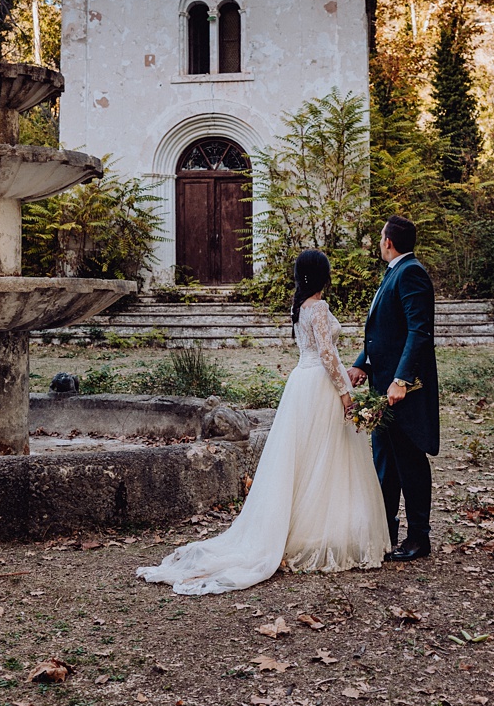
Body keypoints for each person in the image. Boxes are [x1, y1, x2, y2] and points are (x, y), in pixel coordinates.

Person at [140, 245, 390, 597]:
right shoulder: (318, 308)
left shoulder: (301, 307)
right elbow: (328, 355)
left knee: (305, 459)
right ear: (323, 275)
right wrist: (346, 395)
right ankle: (318, 531)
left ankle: (305, 525)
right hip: (319, 384)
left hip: (302, 384)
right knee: (324, 457)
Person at [353, 211, 440, 561]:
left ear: (388, 242)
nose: (379, 242)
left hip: (404, 391)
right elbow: (385, 332)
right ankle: (386, 532)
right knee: (384, 462)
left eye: (380, 237)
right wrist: (361, 364)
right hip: (381, 390)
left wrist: (401, 379)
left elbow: (419, 331)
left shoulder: (411, 274)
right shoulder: (394, 274)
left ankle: (419, 539)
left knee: (410, 463)